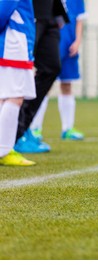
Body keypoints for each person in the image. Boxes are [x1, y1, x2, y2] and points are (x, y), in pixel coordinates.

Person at [13, 0, 69, 153]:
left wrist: (59, 14)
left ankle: (22, 128)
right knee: (21, 70)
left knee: (51, 68)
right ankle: (14, 133)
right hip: (28, 13)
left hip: (50, 13)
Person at [29, 0, 87, 141]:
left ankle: (67, 128)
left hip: (69, 46)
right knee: (44, 84)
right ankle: (35, 128)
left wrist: (78, 41)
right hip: (51, 43)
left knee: (67, 85)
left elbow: (80, 19)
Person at [0, 0, 36, 166]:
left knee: (5, 97)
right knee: (14, 97)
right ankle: (4, 150)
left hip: (12, 42)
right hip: (12, 43)